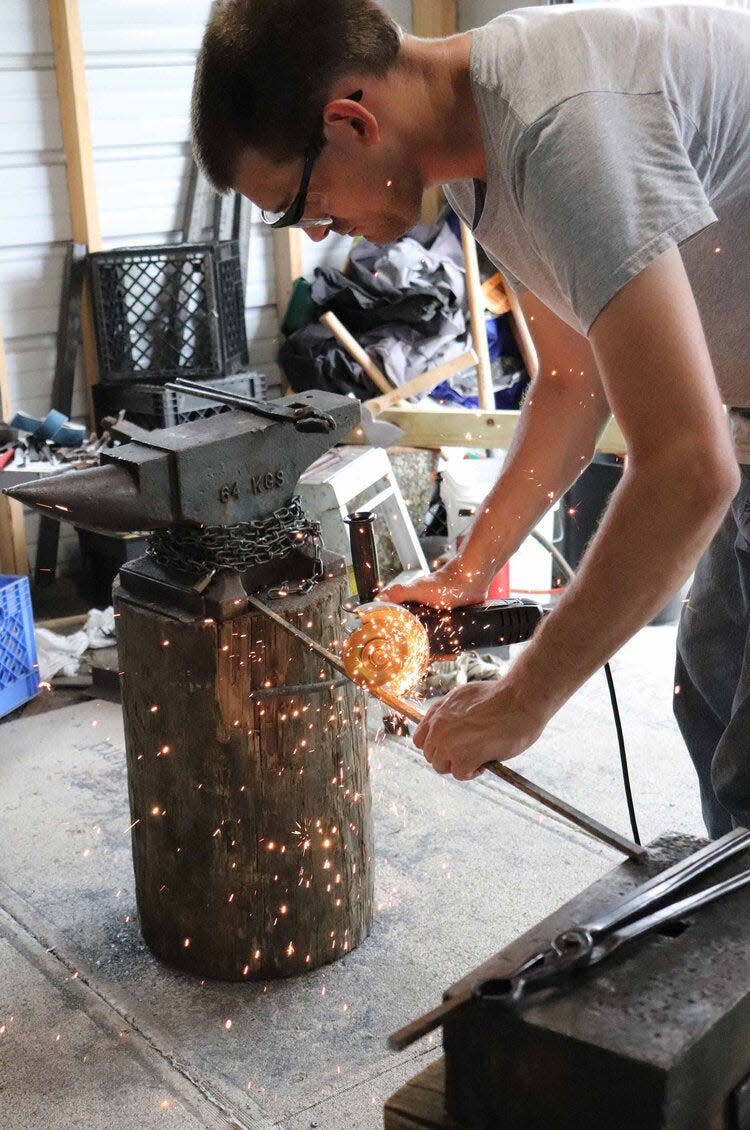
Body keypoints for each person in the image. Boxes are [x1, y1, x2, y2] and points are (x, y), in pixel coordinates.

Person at [192, 0, 750, 837]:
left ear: (350, 121)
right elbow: (569, 380)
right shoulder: (471, 147)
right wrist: (468, 569)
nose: (316, 234)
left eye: (298, 205)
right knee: (711, 687)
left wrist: (524, 698)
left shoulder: (561, 132)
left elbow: (688, 469)